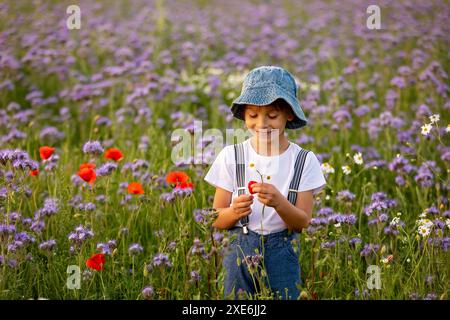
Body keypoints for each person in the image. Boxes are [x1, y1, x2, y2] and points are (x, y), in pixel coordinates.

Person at [204, 66, 326, 299]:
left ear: (289, 114)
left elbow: (302, 223)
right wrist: (233, 212)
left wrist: (280, 203)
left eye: (272, 116)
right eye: (252, 115)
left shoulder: (303, 160)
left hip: (283, 250)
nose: (262, 124)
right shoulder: (232, 156)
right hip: (240, 247)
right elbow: (216, 219)